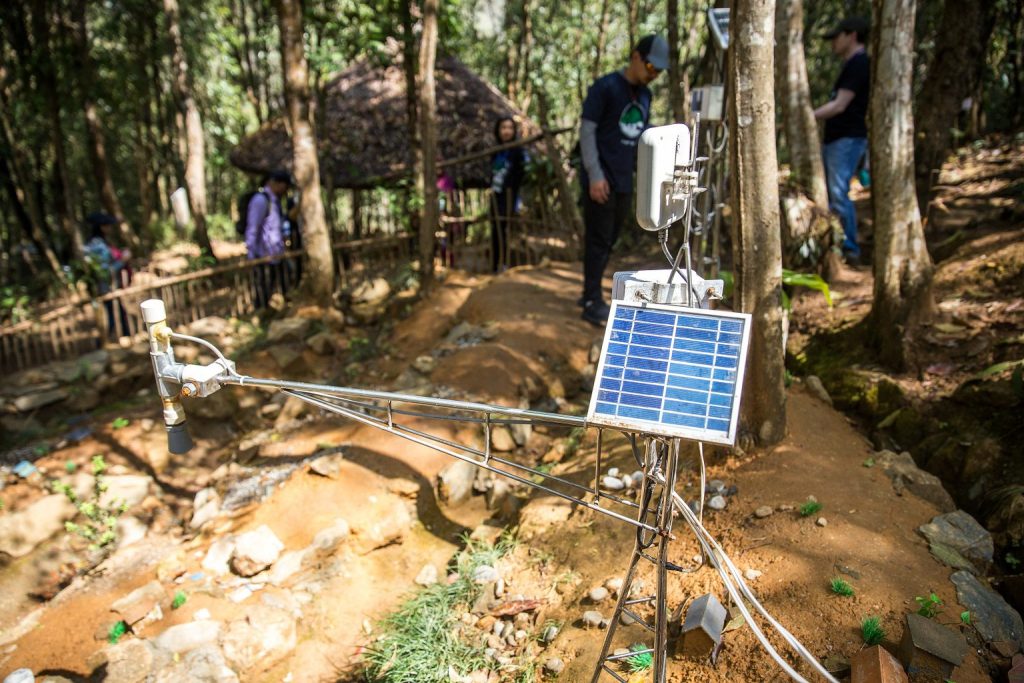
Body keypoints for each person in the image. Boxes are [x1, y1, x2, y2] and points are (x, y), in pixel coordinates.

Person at [579, 34, 668, 325]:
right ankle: (592, 300)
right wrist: (594, 175)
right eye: (651, 67)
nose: (653, 75)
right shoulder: (605, 87)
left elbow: (641, 132)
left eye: (659, 72)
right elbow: (588, 131)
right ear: (636, 57)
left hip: (624, 179)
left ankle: (590, 292)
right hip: (600, 178)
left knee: (610, 239)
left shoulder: (645, 95)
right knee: (598, 239)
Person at [814, 17, 870, 265]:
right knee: (834, 192)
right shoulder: (851, 65)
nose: (833, 43)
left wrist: (808, 116)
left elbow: (840, 105)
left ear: (852, 35)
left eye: (837, 37)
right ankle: (841, 244)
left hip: (847, 139)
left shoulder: (859, 64)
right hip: (839, 139)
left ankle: (849, 248)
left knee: (839, 193)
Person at [244, 170, 291, 308]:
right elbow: (252, 228)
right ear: (275, 183)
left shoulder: (275, 201)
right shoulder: (261, 200)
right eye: (285, 186)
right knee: (264, 291)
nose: (286, 190)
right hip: (264, 257)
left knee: (283, 286)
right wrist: (251, 256)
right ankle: (261, 316)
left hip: (276, 255)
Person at [490, 116, 528, 272]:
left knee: (507, 228)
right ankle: (495, 265)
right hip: (496, 194)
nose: (506, 131)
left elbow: (522, 174)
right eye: (503, 128)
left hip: (511, 195)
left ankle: (507, 263)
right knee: (495, 228)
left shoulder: (518, 151)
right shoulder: (495, 151)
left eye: (509, 128)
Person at [83, 212, 129, 337]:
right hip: (106, 287)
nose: (110, 228)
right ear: (102, 227)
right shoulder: (98, 245)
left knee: (115, 314)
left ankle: (118, 337)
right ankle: (113, 340)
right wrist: (123, 261)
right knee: (115, 315)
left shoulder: (92, 243)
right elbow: (104, 272)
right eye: (108, 225)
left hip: (105, 287)